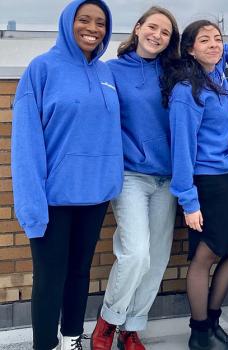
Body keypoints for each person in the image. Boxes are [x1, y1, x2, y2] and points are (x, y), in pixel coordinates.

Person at [90, 8, 228, 350]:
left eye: (165, 32)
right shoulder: (110, 71)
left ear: (172, 41)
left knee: (158, 257)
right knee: (136, 254)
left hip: (168, 177)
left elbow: (215, 53)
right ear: (137, 28)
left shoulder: (174, 69)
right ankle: (108, 322)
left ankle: (131, 328)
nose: (157, 35)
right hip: (133, 174)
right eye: (152, 27)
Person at [11, 0, 122, 349]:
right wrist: (32, 204)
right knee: (49, 278)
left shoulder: (106, 73)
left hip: (95, 195)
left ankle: (72, 338)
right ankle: (45, 344)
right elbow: (26, 141)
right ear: (67, 22)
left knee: (79, 273)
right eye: (84, 20)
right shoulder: (41, 69)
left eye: (100, 22)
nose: (92, 28)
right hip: (53, 197)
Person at [161, 20, 228, 350]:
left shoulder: (217, 76)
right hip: (205, 182)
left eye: (218, 39)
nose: (214, 45)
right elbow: (182, 148)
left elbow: (226, 53)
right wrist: (189, 200)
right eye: (205, 40)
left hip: (224, 176)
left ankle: (212, 323)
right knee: (206, 256)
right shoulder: (188, 90)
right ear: (189, 49)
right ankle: (200, 332)